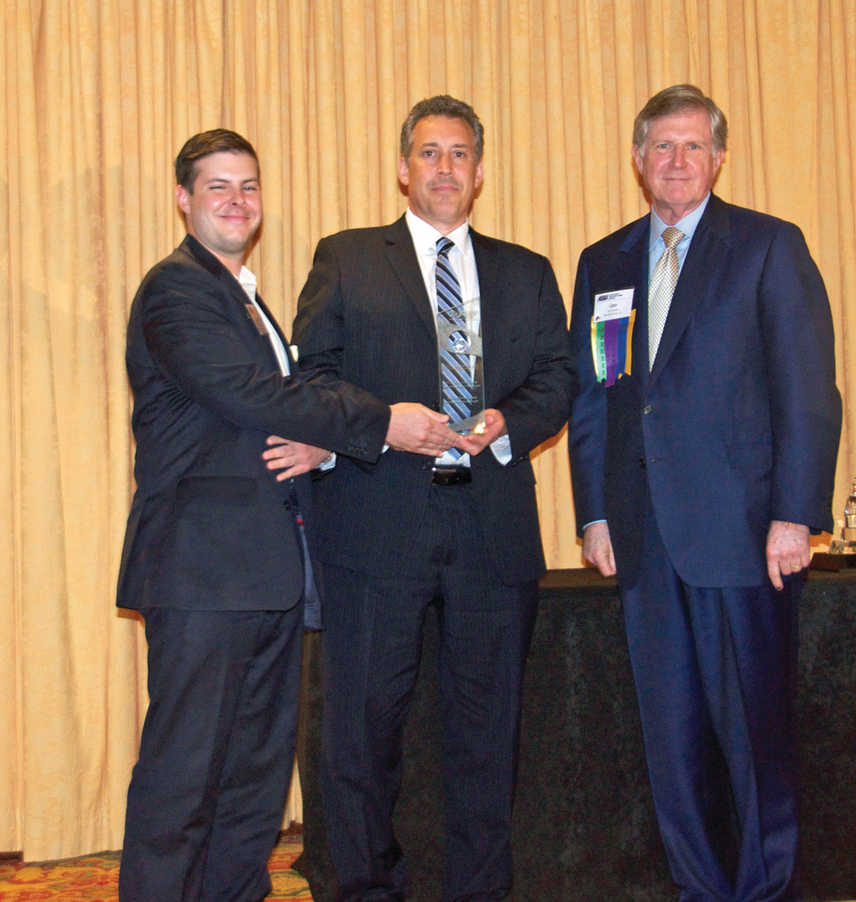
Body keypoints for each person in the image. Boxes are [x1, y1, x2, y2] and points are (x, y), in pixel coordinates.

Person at [284, 94, 576, 902]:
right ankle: (367, 889)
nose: (444, 168)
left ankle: (479, 891)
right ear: (402, 169)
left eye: (459, 154)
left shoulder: (527, 271)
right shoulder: (346, 258)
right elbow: (313, 380)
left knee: (488, 735)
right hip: (375, 527)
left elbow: (558, 377)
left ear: (479, 173)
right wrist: (386, 425)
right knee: (361, 734)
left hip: (493, 528)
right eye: (429, 153)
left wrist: (505, 422)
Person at [567, 85, 842, 902]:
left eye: (693, 146)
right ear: (637, 159)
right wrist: (594, 510)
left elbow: (808, 392)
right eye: (661, 146)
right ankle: (699, 889)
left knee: (756, 740)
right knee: (672, 744)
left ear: (720, 158)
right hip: (644, 542)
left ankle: (763, 891)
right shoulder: (603, 261)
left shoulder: (766, 246)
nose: (677, 161)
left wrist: (796, 513)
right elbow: (597, 396)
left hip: (744, 538)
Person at [117, 129, 391, 902]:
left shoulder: (246, 295)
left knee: (253, 778)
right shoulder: (176, 289)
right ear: (183, 199)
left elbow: (275, 419)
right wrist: (377, 420)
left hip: (269, 570)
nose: (237, 202)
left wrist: (321, 448)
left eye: (249, 186)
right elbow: (253, 396)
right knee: (184, 777)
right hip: (203, 571)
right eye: (217, 187)